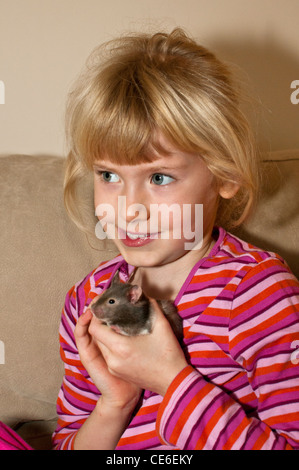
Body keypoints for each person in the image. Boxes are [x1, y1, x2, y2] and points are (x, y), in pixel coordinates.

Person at [2, 28, 297, 451]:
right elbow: (68, 439)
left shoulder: (258, 294)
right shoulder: (89, 301)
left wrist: (169, 379)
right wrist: (115, 403)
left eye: (159, 178)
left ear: (225, 177)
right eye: (109, 176)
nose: (128, 207)